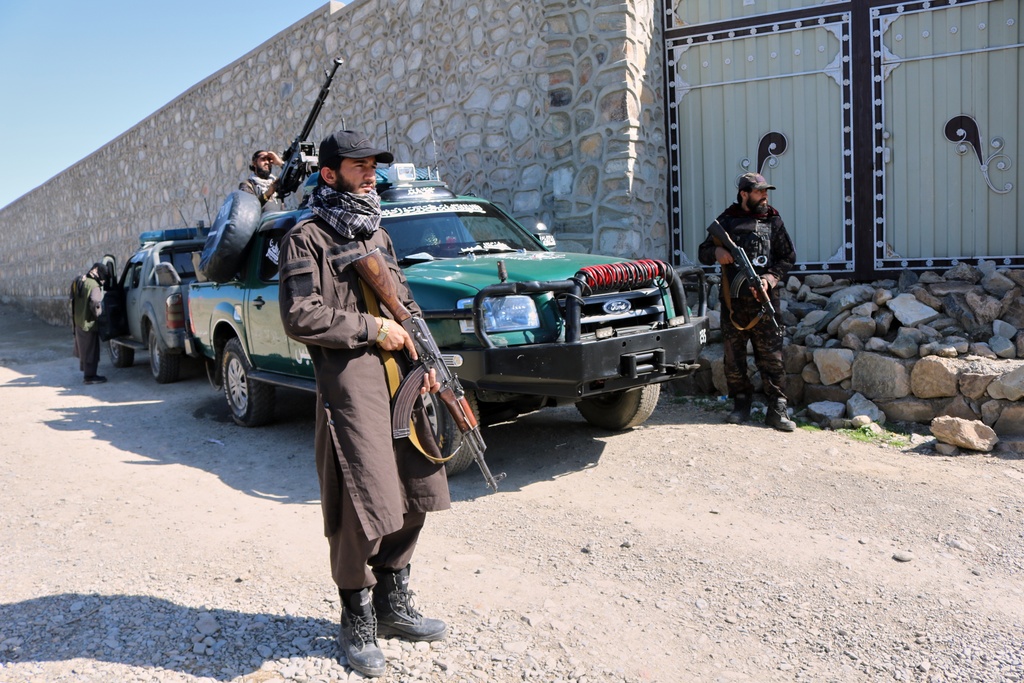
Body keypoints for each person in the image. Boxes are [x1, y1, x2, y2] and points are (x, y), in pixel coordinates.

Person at [277, 130, 451, 677]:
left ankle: (393, 603)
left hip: (404, 374)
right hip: (351, 381)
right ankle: (356, 615)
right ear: (329, 174)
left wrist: (427, 359)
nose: (370, 172)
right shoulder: (305, 237)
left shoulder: (377, 230)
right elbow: (300, 314)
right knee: (364, 497)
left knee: (419, 484)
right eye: (358, 165)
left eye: (372, 164)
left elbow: (402, 298)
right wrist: (372, 329)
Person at [698, 172, 797, 432]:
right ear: (744, 194)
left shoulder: (772, 220)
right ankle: (741, 404)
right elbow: (703, 251)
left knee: (772, 358)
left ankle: (777, 408)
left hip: (764, 302)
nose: (765, 196)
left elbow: (787, 257)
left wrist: (770, 279)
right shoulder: (727, 220)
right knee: (734, 359)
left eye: (766, 191)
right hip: (734, 304)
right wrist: (717, 251)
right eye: (759, 192)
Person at [71, 262, 107, 385]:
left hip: (78, 321)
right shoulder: (94, 286)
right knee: (91, 351)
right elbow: (95, 303)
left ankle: (87, 374)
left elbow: (72, 299)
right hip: (89, 323)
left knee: (83, 349)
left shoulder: (78, 280)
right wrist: (100, 317)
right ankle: (90, 377)